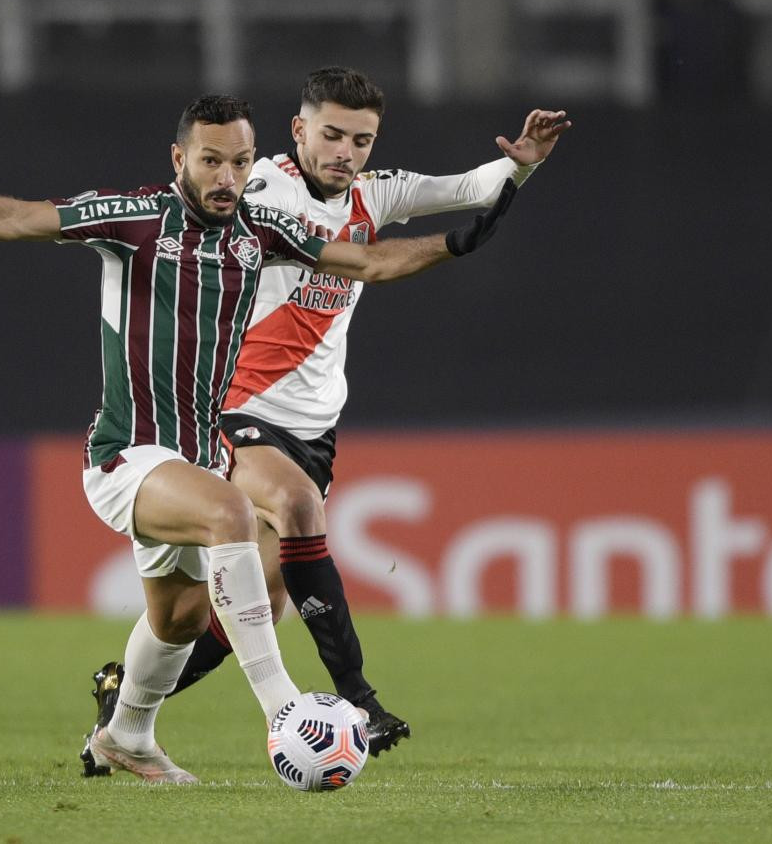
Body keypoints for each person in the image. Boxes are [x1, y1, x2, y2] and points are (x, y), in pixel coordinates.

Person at [0, 93, 519, 784]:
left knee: (180, 621)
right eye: (212, 160)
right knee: (234, 516)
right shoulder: (132, 218)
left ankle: (125, 733)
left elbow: (367, 264)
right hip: (126, 454)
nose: (227, 177)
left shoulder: (262, 230)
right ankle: (286, 711)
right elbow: (19, 218)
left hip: (196, 458)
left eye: (241, 162)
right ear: (179, 159)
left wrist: (456, 243)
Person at [81, 68, 570, 770]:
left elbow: (467, 189)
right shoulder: (255, 188)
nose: (345, 150)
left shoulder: (379, 195)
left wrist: (520, 166)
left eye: (361, 139)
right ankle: (360, 702)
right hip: (236, 405)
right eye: (332, 134)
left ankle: (125, 702)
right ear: (299, 130)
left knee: (258, 598)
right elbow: (185, 200)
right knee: (297, 506)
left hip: (313, 429)